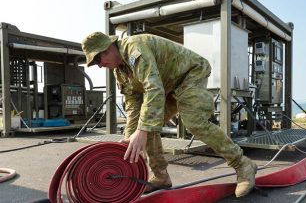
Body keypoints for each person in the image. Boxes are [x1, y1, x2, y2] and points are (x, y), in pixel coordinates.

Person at [81, 32, 257, 197]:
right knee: (145, 126)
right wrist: (130, 138)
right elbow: (133, 105)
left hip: (190, 73)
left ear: (109, 48)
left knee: (193, 122)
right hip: (168, 86)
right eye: (94, 62)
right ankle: (160, 177)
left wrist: (142, 130)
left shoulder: (134, 48)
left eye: (98, 58)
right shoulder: (119, 71)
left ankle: (242, 164)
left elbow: (153, 88)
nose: (99, 65)